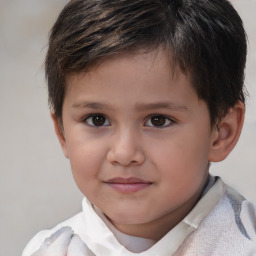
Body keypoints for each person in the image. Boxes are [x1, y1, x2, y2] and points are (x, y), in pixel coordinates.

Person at [23, 0, 256, 255]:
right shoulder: (48, 250)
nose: (123, 153)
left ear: (222, 133)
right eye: (97, 119)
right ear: (62, 133)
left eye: (158, 120)